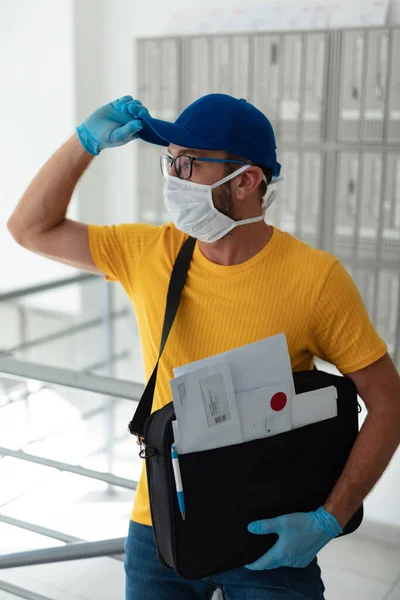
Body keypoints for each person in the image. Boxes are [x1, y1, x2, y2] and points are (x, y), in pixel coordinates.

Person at [7, 94, 400, 600]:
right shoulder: (152, 253)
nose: (172, 179)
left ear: (245, 181)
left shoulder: (316, 279)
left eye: (187, 164)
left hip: (271, 533)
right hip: (159, 528)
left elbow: (388, 403)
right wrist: (85, 144)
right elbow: (28, 228)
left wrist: (328, 520)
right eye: (169, 161)